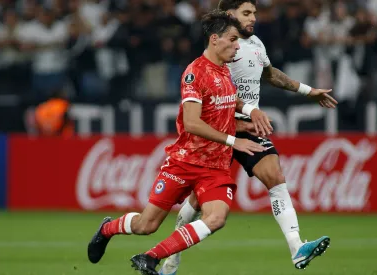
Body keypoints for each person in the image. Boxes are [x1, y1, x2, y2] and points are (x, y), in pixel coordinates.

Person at [87, 10, 273, 275]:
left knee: (217, 217)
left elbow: (225, 106)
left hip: (215, 167)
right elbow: (192, 123)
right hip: (185, 162)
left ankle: (150, 258)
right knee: (146, 225)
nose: (237, 45)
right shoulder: (195, 73)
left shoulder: (224, 71)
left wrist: (249, 114)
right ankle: (107, 228)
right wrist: (235, 140)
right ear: (214, 39)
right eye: (233, 39)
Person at [159, 1, 338, 274]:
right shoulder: (220, 52)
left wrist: (307, 90)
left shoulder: (255, 43)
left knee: (275, 177)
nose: (254, 17)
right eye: (246, 13)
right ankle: (171, 260)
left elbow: (269, 74)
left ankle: (297, 248)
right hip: (220, 131)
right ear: (230, 16)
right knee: (196, 203)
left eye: (254, 12)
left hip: (248, 127)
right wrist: (244, 117)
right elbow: (212, 98)